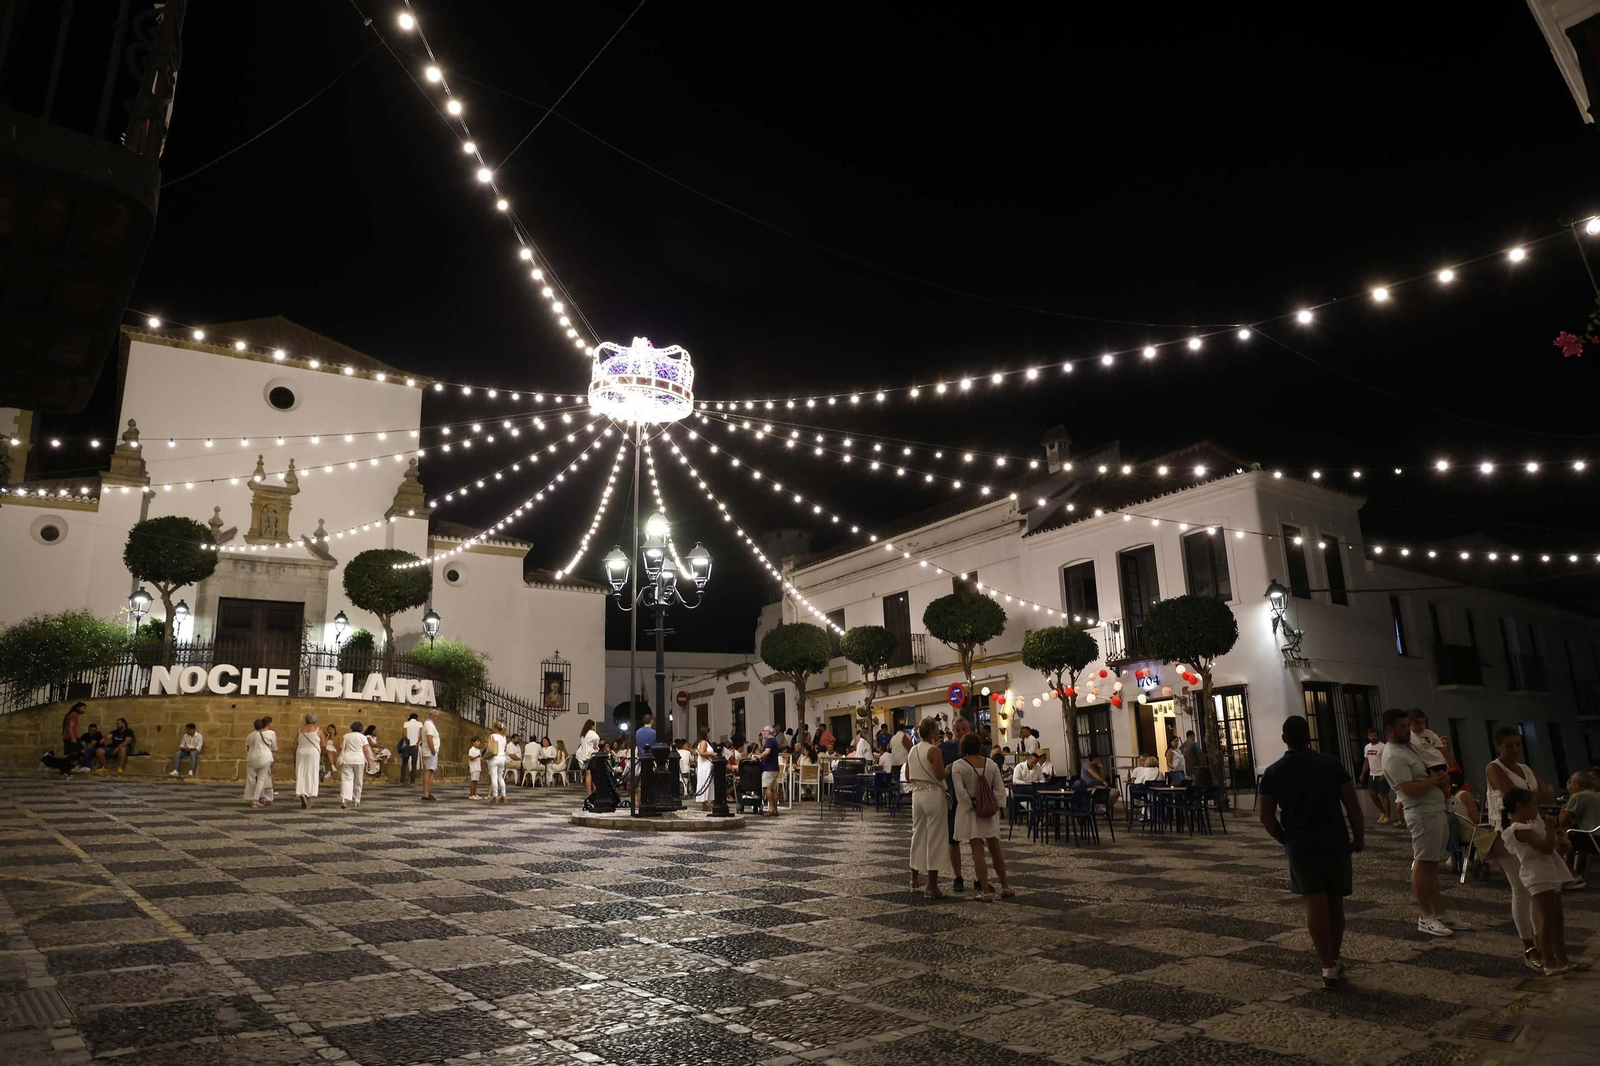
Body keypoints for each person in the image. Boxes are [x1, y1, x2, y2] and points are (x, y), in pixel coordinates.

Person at [1259, 715, 1365, 988]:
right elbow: (1353, 805)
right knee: (1335, 901)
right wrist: (1359, 836)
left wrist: (1285, 840)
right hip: (1334, 840)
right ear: (1309, 737)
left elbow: (1266, 816)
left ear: (1284, 739)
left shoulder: (1273, 772)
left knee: (1314, 902)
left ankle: (1327, 965)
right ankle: (1336, 956)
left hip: (1300, 844)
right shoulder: (1331, 765)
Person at [1380, 707, 1467, 937]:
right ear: (1390, 729)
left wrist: (1440, 778)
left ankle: (1440, 912)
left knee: (1432, 864)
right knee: (1423, 863)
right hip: (1421, 813)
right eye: (1402, 727)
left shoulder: (1409, 747)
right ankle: (1425, 916)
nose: (1408, 730)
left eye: (1408, 726)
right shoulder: (1393, 756)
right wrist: (1433, 781)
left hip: (1435, 809)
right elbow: (1408, 789)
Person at [1485, 725, 1556, 965]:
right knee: (1521, 889)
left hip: (1532, 829)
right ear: (1498, 746)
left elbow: (1547, 793)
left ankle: (1542, 943)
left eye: (1518, 745)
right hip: (1509, 832)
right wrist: (1533, 795)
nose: (1515, 750)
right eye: (1509, 746)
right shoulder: (1494, 767)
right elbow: (1510, 794)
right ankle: (1528, 947)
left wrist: (1530, 795)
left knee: (1537, 887)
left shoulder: (1525, 769)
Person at [1500, 788, 1577, 975]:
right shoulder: (1520, 830)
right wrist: (1551, 828)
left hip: (1548, 873)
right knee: (1547, 917)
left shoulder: (1531, 827)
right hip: (1537, 875)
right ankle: (1549, 961)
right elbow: (1545, 848)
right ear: (1520, 806)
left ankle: (1562, 958)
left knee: (1557, 917)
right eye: (1533, 803)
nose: (1537, 808)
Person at [951, 732, 1013, 900]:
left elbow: (960, 793)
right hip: (990, 811)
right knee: (996, 850)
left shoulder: (958, 765)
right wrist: (995, 807)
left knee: (977, 850)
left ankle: (985, 891)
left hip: (972, 814)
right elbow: (1000, 789)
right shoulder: (991, 764)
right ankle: (1005, 886)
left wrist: (973, 805)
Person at [906, 716, 954, 898]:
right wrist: (949, 768)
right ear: (933, 732)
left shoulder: (912, 751)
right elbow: (940, 774)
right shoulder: (934, 751)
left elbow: (909, 775)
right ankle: (932, 885)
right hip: (933, 794)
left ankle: (913, 877)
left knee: (918, 833)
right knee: (935, 836)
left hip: (917, 795)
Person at [938, 716, 973, 891]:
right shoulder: (944, 749)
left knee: (977, 839)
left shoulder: (978, 747)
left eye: (964, 729)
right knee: (953, 840)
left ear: (969, 729)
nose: (961, 733)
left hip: (974, 802)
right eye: (957, 730)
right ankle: (958, 876)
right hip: (953, 800)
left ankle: (979, 877)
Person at [1559, 773, 1599, 887]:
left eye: (1570, 782)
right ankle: (1572, 874)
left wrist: (1564, 807)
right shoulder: (1597, 795)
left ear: (1576, 784)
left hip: (1591, 839)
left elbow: (1562, 821)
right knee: (1570, 837)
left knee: (1557, 841)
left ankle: (1571, 876)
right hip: (1595, 838)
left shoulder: (1579, 796)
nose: (1568, 785)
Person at [1358, 727, 1392, 825]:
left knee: (1383, 794)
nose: (1373, 737)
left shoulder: (1383, 746)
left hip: (1381, 773)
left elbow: (1387, 761)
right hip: (1372, 774)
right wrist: (1363, 773)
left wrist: (1385, 774)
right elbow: (1366, 761)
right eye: (1371, 736)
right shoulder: (1367, 747)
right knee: (1372, 794)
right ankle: (1382, 812)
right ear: (1368, 737)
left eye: (1375, 735)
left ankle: (1388, 816)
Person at [339, 720, 375, 809]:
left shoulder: (346, 736)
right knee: (358, 780)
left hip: (347, 759)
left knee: (346, 779)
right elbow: (366, 751)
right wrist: (369, 762)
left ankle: (344, 798)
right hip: (359, 760)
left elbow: (340, 746)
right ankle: (357, 799)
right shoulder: (363, 737)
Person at [244, 718, 274, 807]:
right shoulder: (270, 734)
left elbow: (247, 746)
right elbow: (274, 747)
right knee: (261, 778)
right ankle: (256, 799)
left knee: (251, 779)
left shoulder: (250, 735)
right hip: (265, 758)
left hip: (251, 758)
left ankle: (250, 797)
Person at [294, 713, 322, 808]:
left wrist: (293, 758)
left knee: (301, 772)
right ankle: (309, 798)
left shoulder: (300, 730)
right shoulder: (318, 730)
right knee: (312, 773)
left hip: (301, 752)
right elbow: (324, 744)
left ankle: (302, 791)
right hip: (313, 753)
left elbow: (295, 744)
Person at [759, 726, 782, 815]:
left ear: (768, 732)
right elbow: (762, 750)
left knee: (766, 787)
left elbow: (767, 752)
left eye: (763, 731)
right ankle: (775, 808)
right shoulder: (773, 741)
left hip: (768, 768)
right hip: (774, 767)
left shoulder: (770, 741)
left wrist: (758, 758)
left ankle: (771, 808)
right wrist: (760, 740)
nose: (762, 732)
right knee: (773, 789)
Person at [419, 709, 441, 801]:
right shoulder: (430, 725)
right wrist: (432, 750)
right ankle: (426, 793)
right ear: (434, 716)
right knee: (429, 771)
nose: (438, 719)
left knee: (431, 771)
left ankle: (427, 792)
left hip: (429, 751)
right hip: (430, 752)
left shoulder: (427, 724)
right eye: (437, 717)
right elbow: (429, 738)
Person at [486, 721, 509, 804]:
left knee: (494, 777)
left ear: (495, 728)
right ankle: (504, 795)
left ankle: (495, 796)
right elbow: (505, 747)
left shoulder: (492, 736)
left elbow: (488, 747)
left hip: (494, 757)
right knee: (500, 777)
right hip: (502, 758)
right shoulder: (504, 737)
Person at [576, 718, 600, 795]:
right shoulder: (591, 732)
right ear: (592, 726)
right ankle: (596, 791)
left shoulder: (583, 735)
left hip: (585, 757)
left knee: (588, 775)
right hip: (592, 756)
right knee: (595, 774)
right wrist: (595, 745)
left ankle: (589, 792)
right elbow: (597, 738)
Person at [694, 726, 715, 810]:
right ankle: (704, 804)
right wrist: (712, 754)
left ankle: (705, 803)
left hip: (705, 764)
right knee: (705, 782)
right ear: (707, 733)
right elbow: (702, 753)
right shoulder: (704, 742)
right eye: (709, 732)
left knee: (707, 783)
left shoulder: (703, 742)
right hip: (705, 765)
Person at [399, 712, 423, 785]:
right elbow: (421, 734)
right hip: (415, 746)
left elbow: (404, 733)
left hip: (407, 745)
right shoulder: (419, 724)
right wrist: (418, 742)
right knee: (414, 763)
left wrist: (404, 741)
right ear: (416, 718)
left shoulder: (406, 723)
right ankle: (412, 781)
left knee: (404, 763)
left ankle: (402, 780)